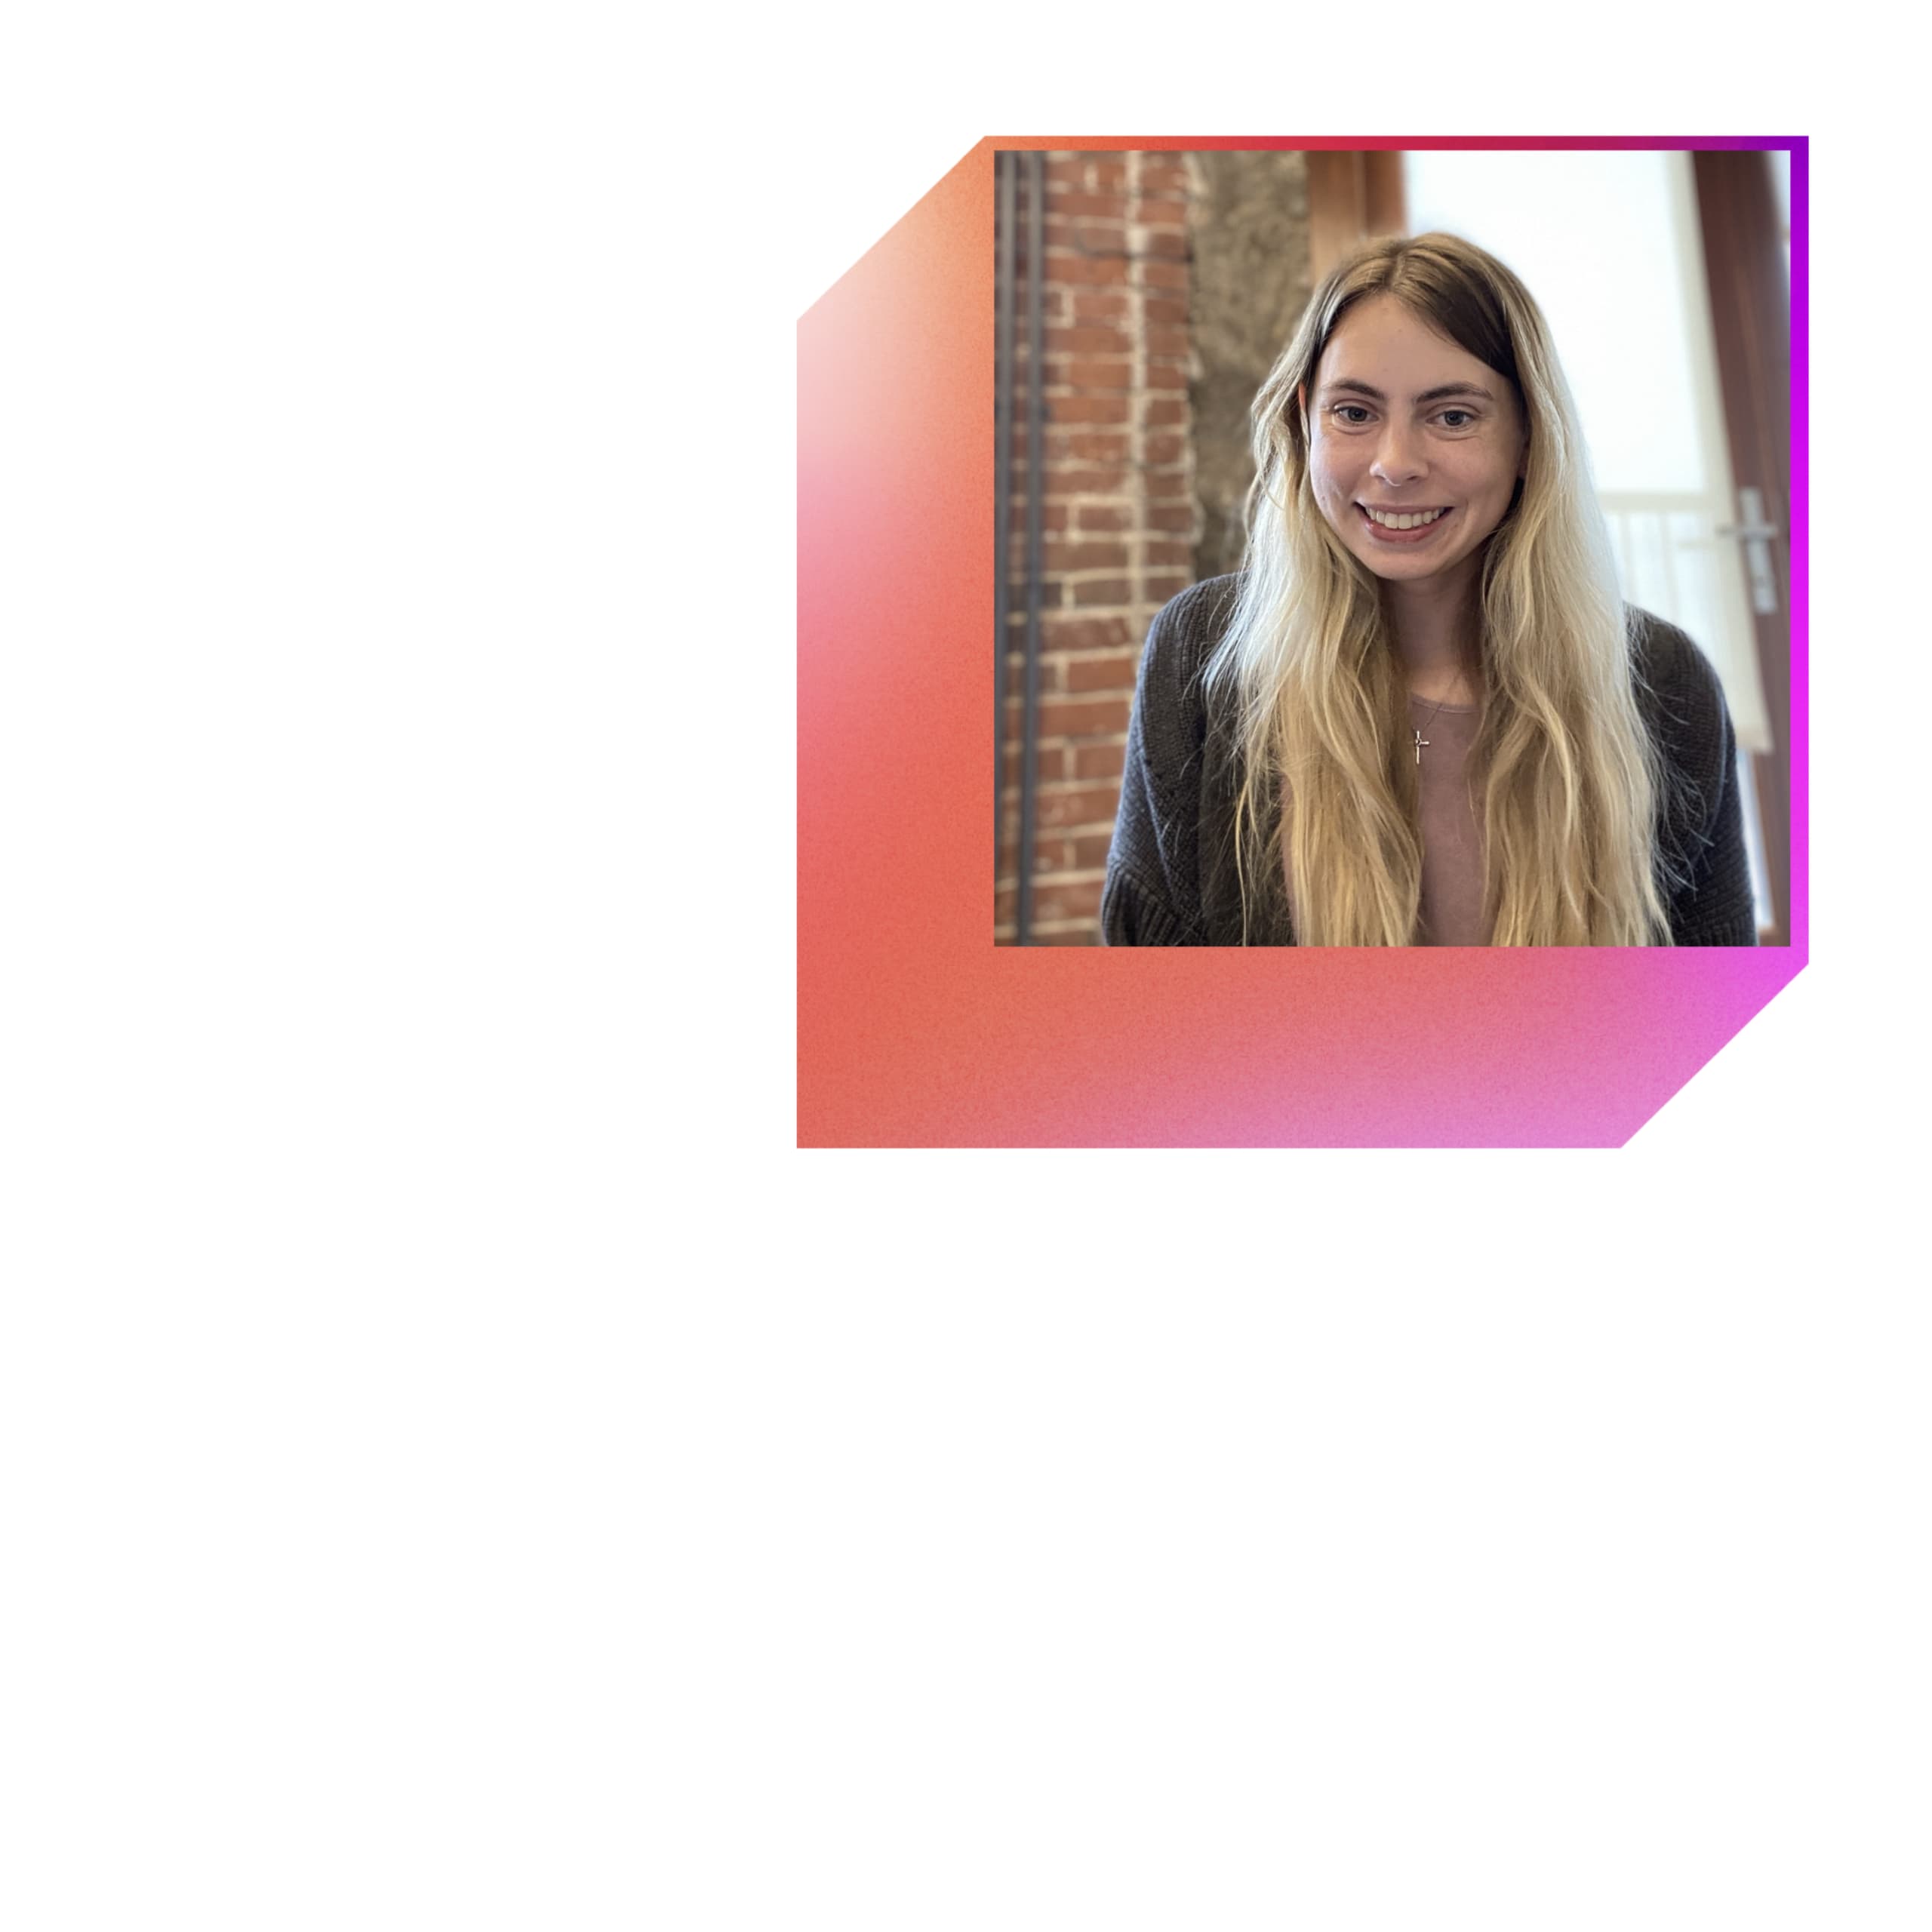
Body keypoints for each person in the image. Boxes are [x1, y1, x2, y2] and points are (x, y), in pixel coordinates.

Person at [1100, 232, 1758, 947]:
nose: (1395, 464)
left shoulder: (1665, 684)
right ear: (1304, 420)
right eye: (1354, 412)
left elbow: (1714, 995)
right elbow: (1152, 987)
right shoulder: (1202, 651)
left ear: (1529, 439)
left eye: (1453, 417)